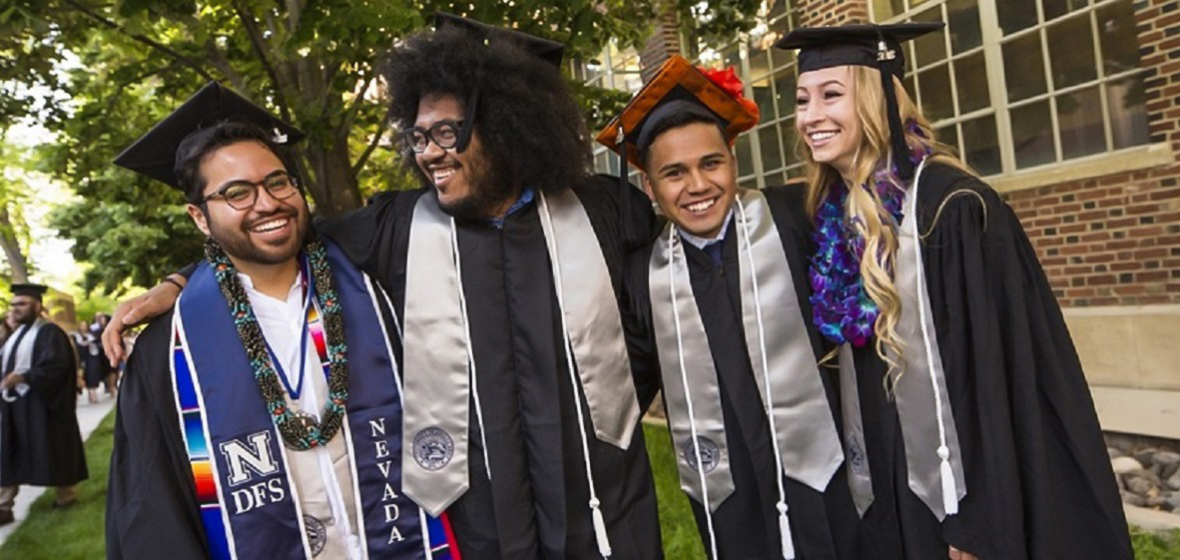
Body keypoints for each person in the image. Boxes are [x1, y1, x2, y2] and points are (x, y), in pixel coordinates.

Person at [106, 14, 663, 559]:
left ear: (508, 125)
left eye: (447, 132)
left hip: (602, 502)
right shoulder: (399, 228)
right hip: (483, 520)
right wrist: (180, 280)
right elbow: (281, 235)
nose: (428, 153)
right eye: (419, 137)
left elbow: (652, 315)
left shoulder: (605, 213)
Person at [776, 23, 1133, 559]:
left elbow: (994, 374)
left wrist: (977, 519)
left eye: (831, 96)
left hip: (957, 485)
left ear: (876, 99)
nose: (810, 117)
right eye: (802, 100)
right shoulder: (835, 214)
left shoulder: (950, 208)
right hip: (886, 471)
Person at [106, 82, 453, 559]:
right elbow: (153, 514)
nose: (267, 203)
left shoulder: (376, 277)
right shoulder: (167, 351)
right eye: (236, 193)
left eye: (277, 182)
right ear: (200, 218)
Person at [597, 55, 862, 559]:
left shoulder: (799, 220)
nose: (697, 186)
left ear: (733, 161)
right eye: (674, 173)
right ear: (649, 188)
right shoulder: (642, 277)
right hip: (731, 494)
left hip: (835, 478)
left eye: (710, 163)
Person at [0, 283, 88, 525]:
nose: (15, 309)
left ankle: (66, 497)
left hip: (44, 407)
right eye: (13, 304)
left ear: (37, 306)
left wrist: (24, 377)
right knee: (8, 453)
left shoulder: (50, 332)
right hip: (15, 406)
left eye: (22, 304)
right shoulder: (15, 335)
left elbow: (57, 367)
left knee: (54, 449)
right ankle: (3, 507)